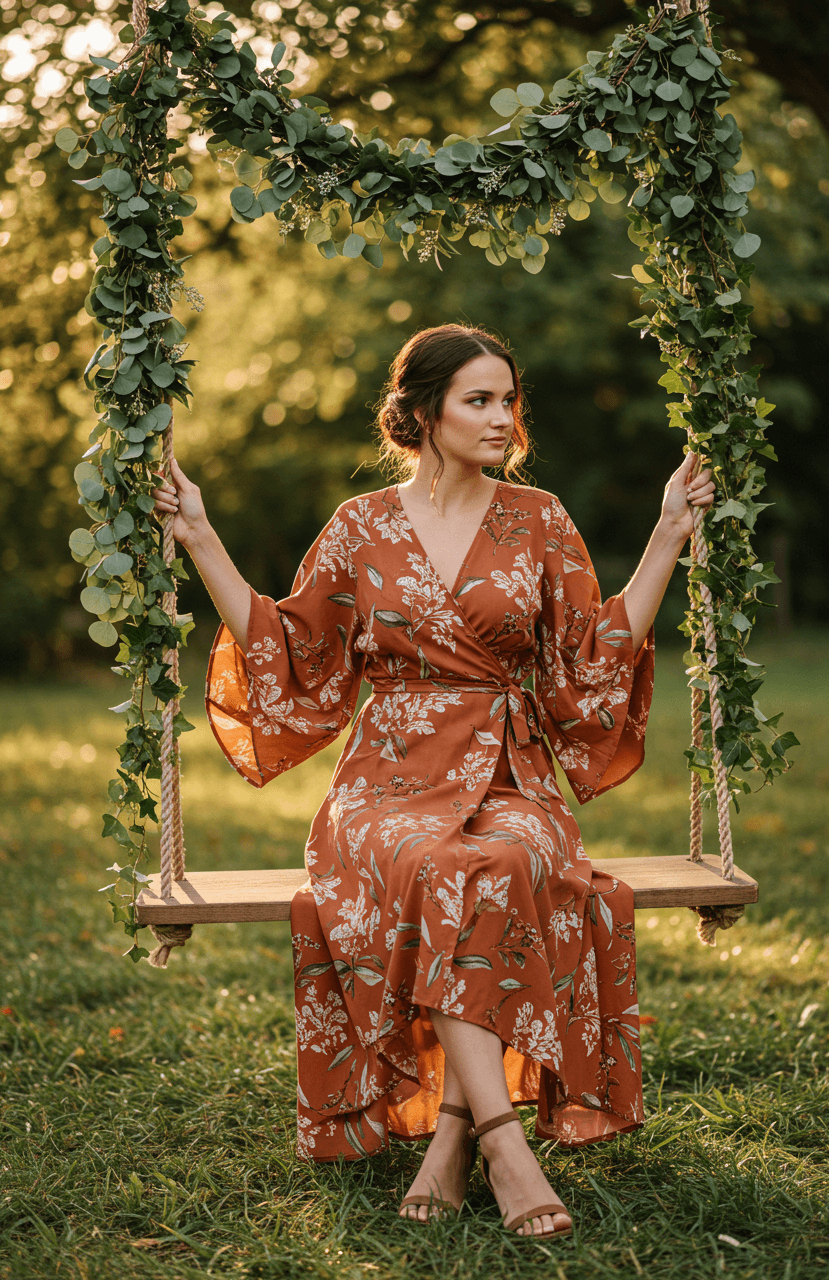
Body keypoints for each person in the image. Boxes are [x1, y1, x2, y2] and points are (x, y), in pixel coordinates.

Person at [153, 323, 715, 1239]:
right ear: (424, 414)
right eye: (479, 400)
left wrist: (666, 535)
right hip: (386, 781)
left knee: (511, 860)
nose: (504, 417)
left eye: (508, 399)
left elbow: (587, 658)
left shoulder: (539, 518)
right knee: (429, 863)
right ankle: (504, 1139)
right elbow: (294, 647)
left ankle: (456, 1134)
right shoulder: (361, 526)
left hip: (509, 772)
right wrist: (200, 534)